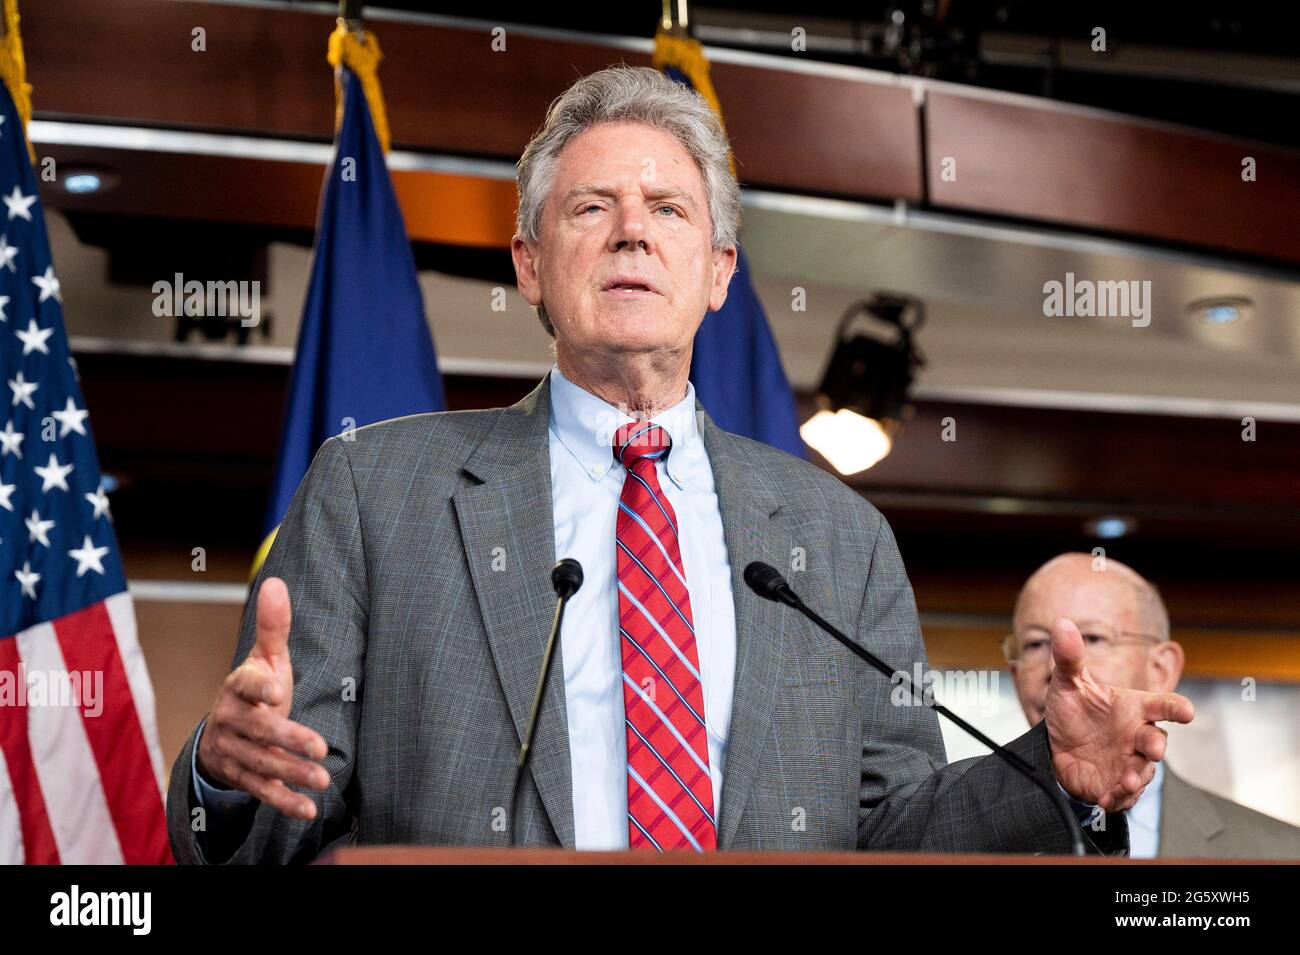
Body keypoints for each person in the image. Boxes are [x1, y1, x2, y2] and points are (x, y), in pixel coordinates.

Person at [166, 66, 1192, 864]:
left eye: (667, 210)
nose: (630, 234)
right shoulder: (374, 493)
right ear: (527, 262)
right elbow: (271, 822)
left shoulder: (838, 538)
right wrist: (223, 775)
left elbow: (894, 838)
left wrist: (1047, 774)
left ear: (718, 272)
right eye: (589, 207)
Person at [1005, 552, 1300, 859]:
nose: (1056, 667)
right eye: (1035, 644)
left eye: (1091, 638)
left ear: (1161, 670)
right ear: (1015, 675)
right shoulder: (959, 840)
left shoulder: (1282, 853)